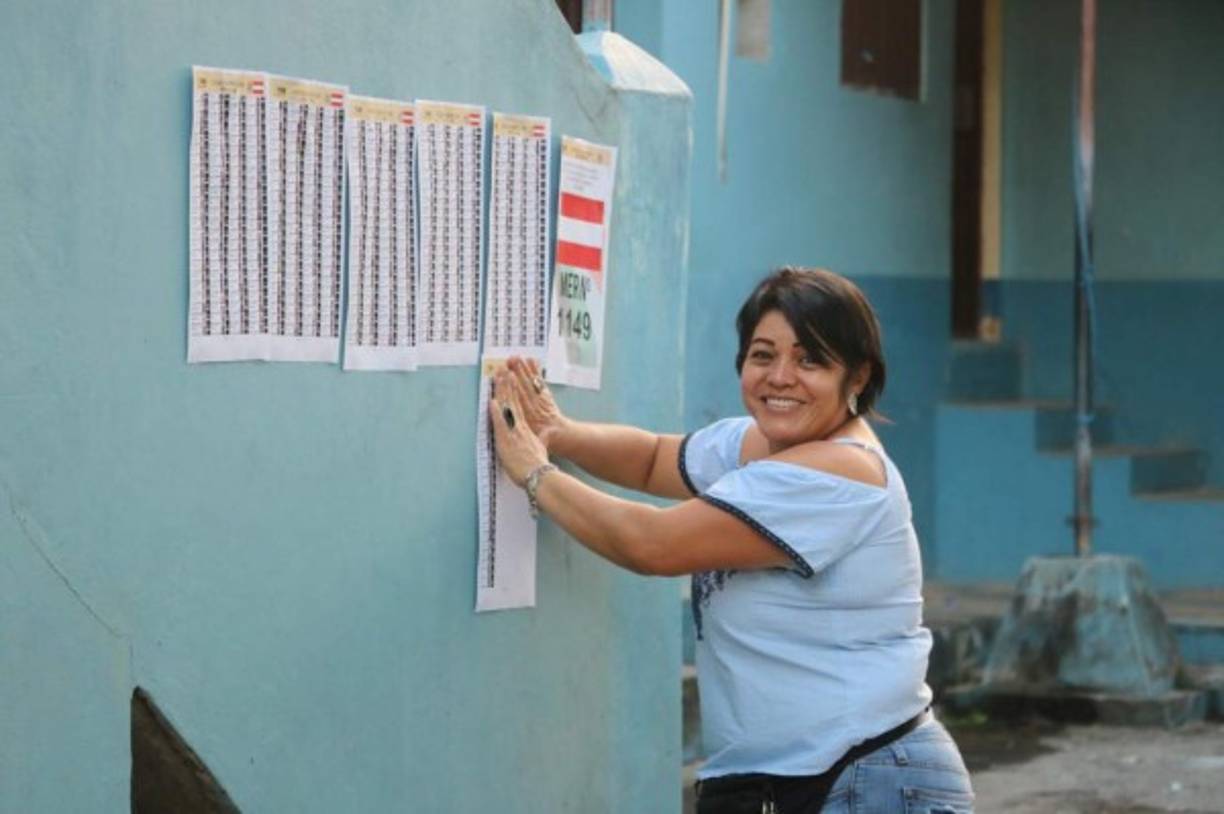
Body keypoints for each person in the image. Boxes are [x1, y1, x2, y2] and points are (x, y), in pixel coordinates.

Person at [489, 267, 974, 814]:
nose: (781, 377)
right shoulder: (763, 445)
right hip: (799, 779)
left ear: (857, 378)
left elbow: (654, 545)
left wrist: (534, 474)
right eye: (763, 355)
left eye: (811, 359)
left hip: (864, 779)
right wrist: (558, 432)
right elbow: (653, 459)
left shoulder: (837, 472)